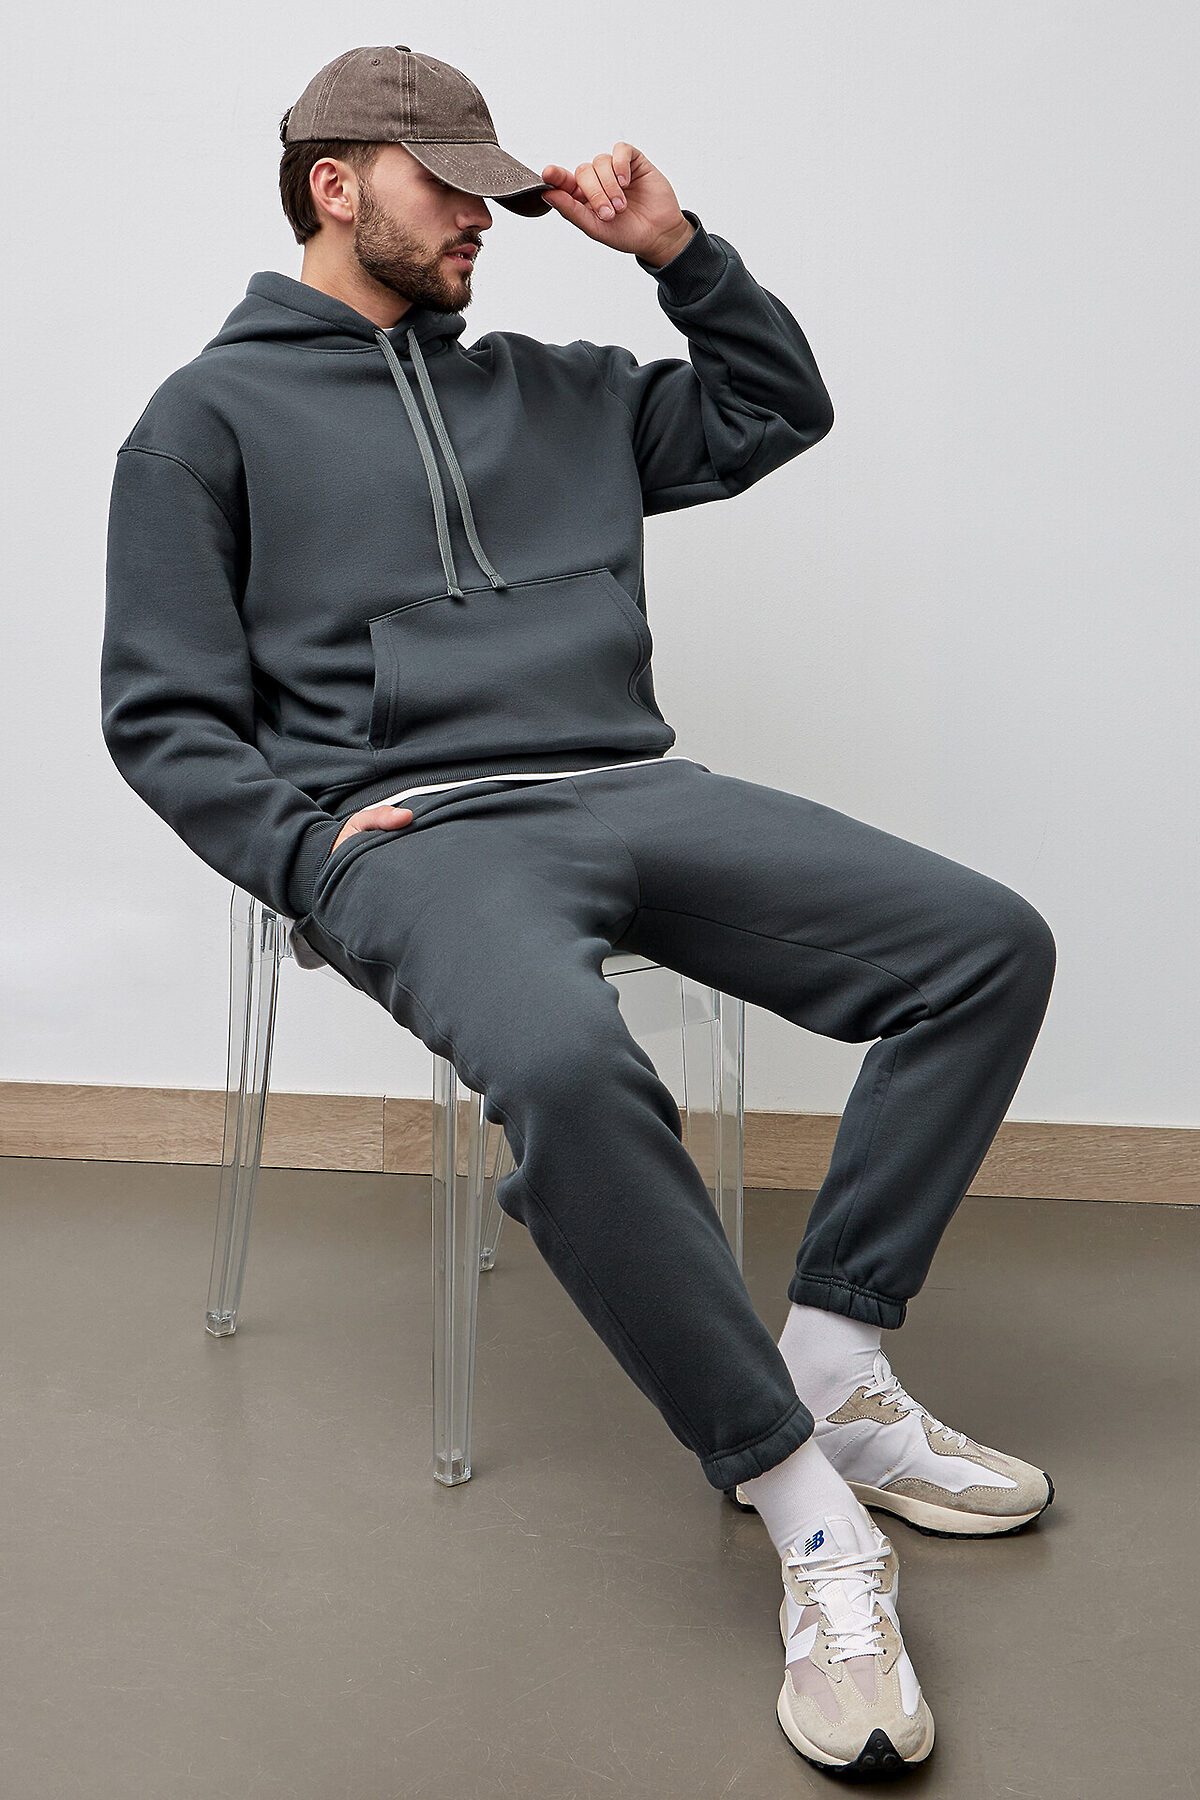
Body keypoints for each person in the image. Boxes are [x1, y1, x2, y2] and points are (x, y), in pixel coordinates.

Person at [100, 45, 1057, 1779]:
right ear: (335, 185)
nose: (484, 218)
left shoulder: (565, 389)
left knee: (983, 946)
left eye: (495, 189)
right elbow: (163, 721)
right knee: (561, 1060)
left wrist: (675, 251)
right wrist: (315, 858)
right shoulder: (201, 422)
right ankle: (805, 1510)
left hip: (627, 787)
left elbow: (775, 411)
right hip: (416, 837)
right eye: (448, 188)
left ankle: (835, 1358)